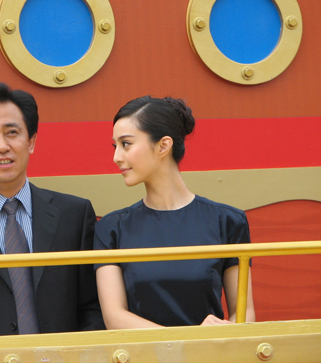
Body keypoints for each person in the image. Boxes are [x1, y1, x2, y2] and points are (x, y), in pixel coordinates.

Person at [0, 82, 104, 337]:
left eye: (12, 132)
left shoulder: (74, 215)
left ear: (31, 141)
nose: (2, 146)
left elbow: (92, 306)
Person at [94, 95, 255, 329]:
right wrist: (187, 342)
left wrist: (219, 335)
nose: (116, 157)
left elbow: (244, 312)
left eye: (126, 144)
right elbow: (114, 317)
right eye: (115, 146)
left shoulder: (227, 221)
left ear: (163, 146)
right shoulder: (111, 228)